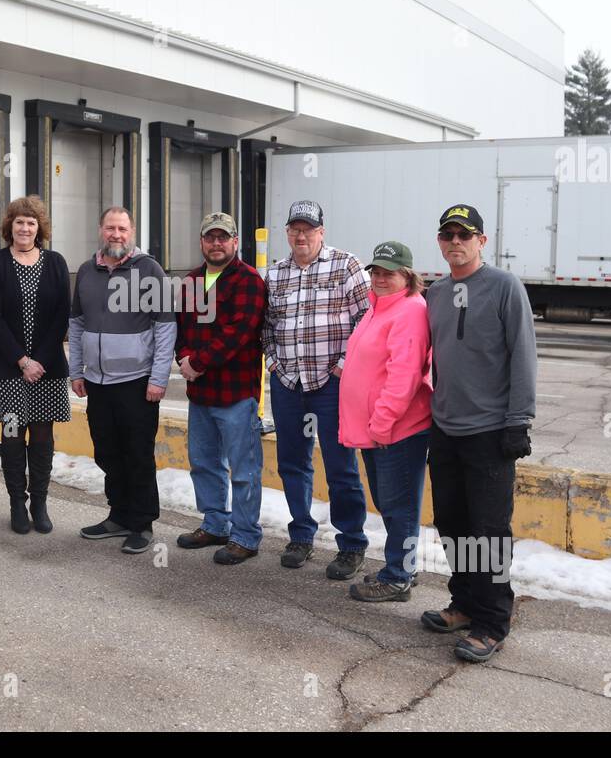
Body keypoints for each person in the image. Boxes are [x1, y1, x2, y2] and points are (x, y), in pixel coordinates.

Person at [422, 204, 537, 663]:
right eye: (447, 235)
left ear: (481, 241)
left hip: (491, 432)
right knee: (452, 524)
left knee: (487, 532)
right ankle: (465, 604)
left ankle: (492, 622)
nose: (455, 242)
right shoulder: (435, 293)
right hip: (445, 428)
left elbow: (523, 355)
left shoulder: (505, 288)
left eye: (464, 235)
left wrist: (519, 420)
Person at [262, 199, 370, 579]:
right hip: (289, 384)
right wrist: (274, 364)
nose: (301, 235)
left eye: (309, 228)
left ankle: (352, 543)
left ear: (322, 232)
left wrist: (343, 368)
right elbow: (266, 326)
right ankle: (301, 536)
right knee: (293, 462)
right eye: (295, 228)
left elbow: (367, 319)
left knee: (341, 466)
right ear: (288, 233)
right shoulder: (274, 275)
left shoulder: (346, 266)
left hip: (333, 385)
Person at [70, 207, 176, 555]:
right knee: (107, 450)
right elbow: (77, 324)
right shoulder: (87, 271)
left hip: (136, 380)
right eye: (110, 228)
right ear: (100, 230)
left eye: (123, 228)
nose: (116, 234)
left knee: (137, 453)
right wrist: (76, 370)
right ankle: (118, 515)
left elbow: (165, 327)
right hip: (97, 381)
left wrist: (158, 378)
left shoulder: (150, 270)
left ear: (132, 232)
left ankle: (142, 522)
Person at [337, 241, 432, 603]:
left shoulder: (409, 312)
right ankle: (402, 566)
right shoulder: (378, 308)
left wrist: (381, 423)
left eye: (387, 273)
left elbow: (403, 377)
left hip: (396, 432)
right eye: (375, 271)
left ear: (406, 276)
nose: (378, 278)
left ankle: (397, 577)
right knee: (390, 502)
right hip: (379, 432)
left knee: (400, 505)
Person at [174, 212, 267, 565]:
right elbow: (181, 330)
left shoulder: (248, 281)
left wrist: (197, 363)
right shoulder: (192, 281)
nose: (216, 243)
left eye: (223, 237)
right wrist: (185, 358)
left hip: (236, 395)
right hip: (200, 395)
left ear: (234, 242)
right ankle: (215, 524)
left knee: (243, 470)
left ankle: (245, 535)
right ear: (201, 242)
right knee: (204, 463)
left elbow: (239, 332)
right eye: (210, 237)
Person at [0, 196, 70, 534]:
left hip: (46, 370)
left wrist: (39, 362)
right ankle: (17, 502)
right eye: (19, 221)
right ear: (10, 226)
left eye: (31, 222)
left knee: (43, 434)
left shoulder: (57, 263)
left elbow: (62, 314)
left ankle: (40, 503)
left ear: (39, 228)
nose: (25, 227)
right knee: (14, 433)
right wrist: (21, 360)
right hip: (8, 368)